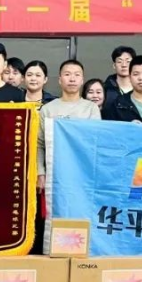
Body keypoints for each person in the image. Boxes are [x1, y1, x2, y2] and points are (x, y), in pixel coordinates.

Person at [36, 60, 102, 253]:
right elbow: (39, 144)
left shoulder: (90, 108)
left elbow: (96, 141)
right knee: (55, 215)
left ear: (82, 80)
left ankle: (79, 253)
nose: (72, 78)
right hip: (54, 175)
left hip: (83, 176)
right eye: (67, 74)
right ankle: (53, 254)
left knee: (81, 214)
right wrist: (40, 172)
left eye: (76, 74)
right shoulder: (48, 109)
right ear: (59, 79)